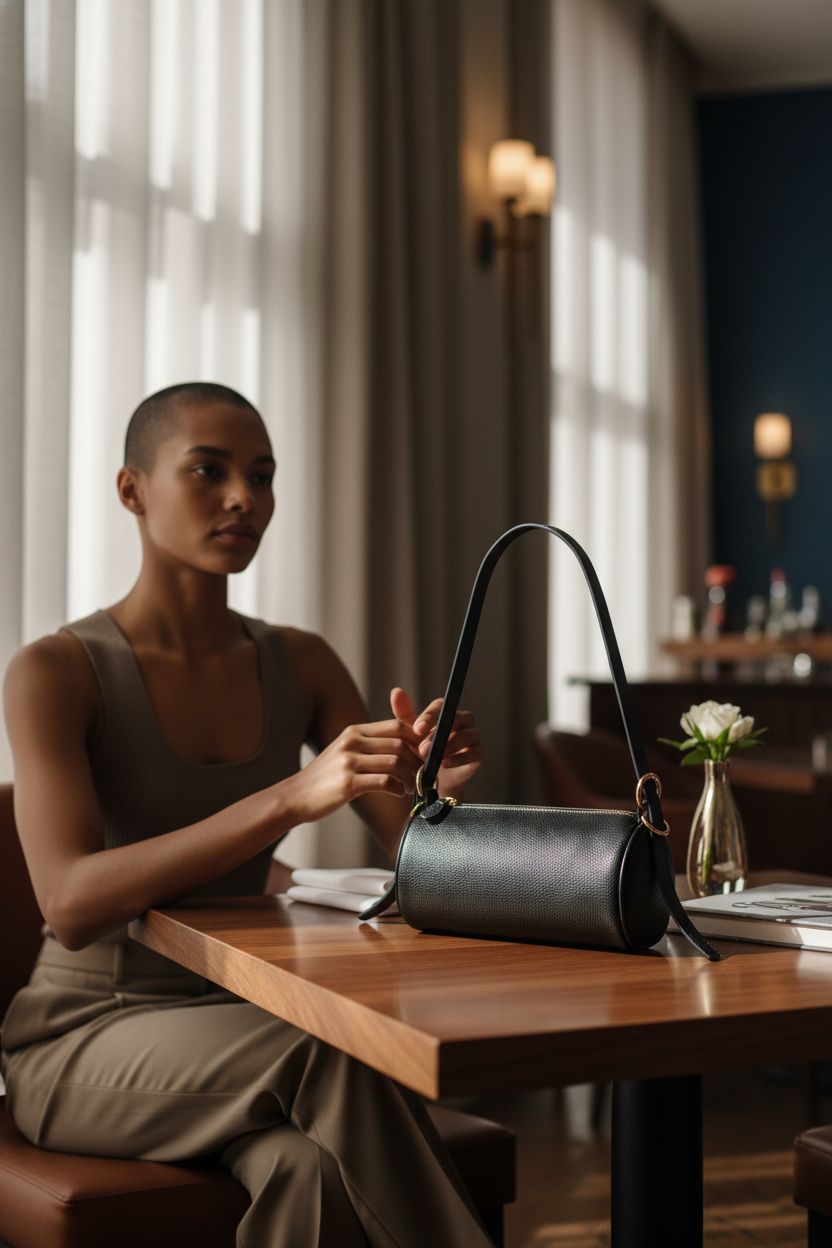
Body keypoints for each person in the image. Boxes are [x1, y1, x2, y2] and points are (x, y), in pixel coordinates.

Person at [0, 382, 492, 1248]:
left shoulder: (300, 661)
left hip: (247, 1018)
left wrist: (440, 797)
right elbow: (69, 906)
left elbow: (418, 856)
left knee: (310, 1174)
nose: (243, 498)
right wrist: (288, 797)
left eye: (261, 476)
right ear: (132, 490)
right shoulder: (55, 670)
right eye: (209, 470)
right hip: (87, 1036)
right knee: (335, 1049)